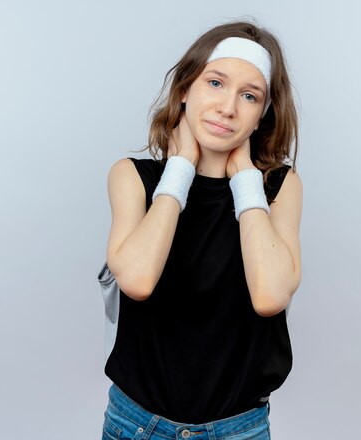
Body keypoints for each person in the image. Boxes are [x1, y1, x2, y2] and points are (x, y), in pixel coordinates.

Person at [98, 20, 302, 440]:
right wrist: (180, 168)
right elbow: (136, 279)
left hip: (238, 429)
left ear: (262, 115)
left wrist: (245, 175)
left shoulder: (280, 188)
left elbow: (269, 296)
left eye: (249, 96)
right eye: (215, 83)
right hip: (136, 425)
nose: (228, 107)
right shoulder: (133, 177)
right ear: (185, 89)